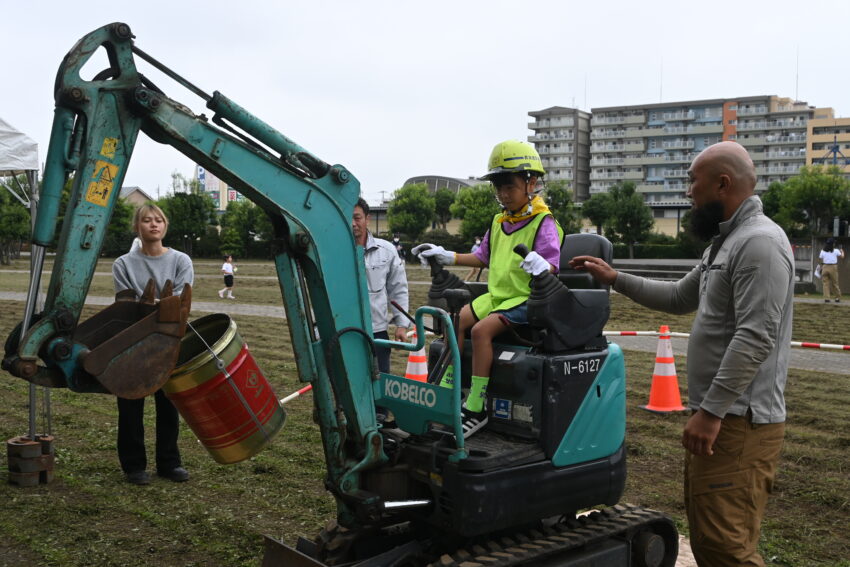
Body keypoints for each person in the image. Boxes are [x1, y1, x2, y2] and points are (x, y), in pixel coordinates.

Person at [569, 141, 793, 567]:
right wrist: (614, 277)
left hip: (738, 422)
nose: (688, 192)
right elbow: (677, 296)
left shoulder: (760, 244)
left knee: (728, 549)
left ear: (722, 183)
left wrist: (710, 413)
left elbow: (755, 336)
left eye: (693, 181)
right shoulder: (723, 244)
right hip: (721, 419)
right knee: (711, 542)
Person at [413, 140, 562, 438]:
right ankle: (448, 385)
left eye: (510, 187)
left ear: (531, 183)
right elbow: (483, 257)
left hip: (524, 299)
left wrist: (541, 264)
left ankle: (476, 404)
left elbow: (551, 265)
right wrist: (448, 255)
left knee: (481, 332)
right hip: (497, 298)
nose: (503, 194)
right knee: (453, 321)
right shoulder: (499, 221)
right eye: (499, 188)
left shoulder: (543, 221)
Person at [112, 204, 194, 485]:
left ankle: (169, 463)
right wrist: (161, 305)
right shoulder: (123, 264)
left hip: (169, 339)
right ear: (138, 227)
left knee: (169, 403)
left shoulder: (181, 260)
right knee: (130, 402)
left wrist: (150, 305)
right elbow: (126, 305)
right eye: (147, 220)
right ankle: (134, 466)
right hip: (133, 341)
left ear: (165, 226)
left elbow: (182, 303)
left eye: (159, 220)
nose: (154, 225)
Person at [352, 198, 410, 375]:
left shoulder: (386, 250)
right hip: (345, 330)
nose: (353, 223)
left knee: (380, 384)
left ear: (367, 218)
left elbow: (398, 289)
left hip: (377, 332)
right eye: (348, 218)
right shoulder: (332, 252)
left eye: (357, 218)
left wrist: (402, 325)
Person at [818, 237, 844, 302]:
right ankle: (837, 298)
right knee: (835, 283)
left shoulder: (822, 251)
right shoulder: (836, 251)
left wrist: (821, 266)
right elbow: (842, 257)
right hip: (833, 267)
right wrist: (842, 251)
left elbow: (820, 258)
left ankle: (827, 298)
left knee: (825, 283)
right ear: (833, 244)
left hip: (825, 266)